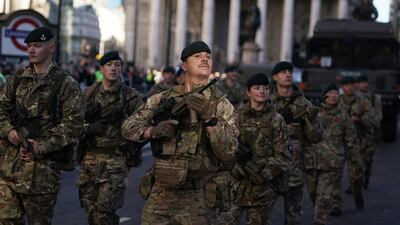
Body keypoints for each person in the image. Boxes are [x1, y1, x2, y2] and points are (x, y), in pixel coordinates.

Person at [121, 41, 238, 225]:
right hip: (161, 193)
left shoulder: (221, 104)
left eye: (208, 57)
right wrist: (152, 131)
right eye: (197, 56)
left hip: (199, 195)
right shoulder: (162, 99)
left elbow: (229, 152)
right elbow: (128, 126)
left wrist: (209, 118)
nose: (205, 59)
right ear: (184, 65)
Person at [0, 27, 84, 224]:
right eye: (29, 46)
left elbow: (74, 124)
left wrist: (42, 146)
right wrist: (8, 131)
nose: (31, 50)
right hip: (9, 169)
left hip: (41, 175)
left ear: (51, 47)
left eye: (37, 46)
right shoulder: (18, 78)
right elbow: (1, 109)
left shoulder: (66, 84)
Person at [76, 51, 143, 225]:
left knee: (104, 213)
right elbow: (71, 125)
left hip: (116, 161)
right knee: (90, 208)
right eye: (109, 65)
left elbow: (143, 124)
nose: (113, 68)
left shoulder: (130, 96)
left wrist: (126, 127)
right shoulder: (88, 94)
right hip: (89, 160)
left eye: (117, 65)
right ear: (101, 68)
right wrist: (89, 128)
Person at [218, 73, 292, 225]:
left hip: (262, 189)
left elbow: (283, 154)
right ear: (248, 92)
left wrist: (266, 173)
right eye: (257, 88)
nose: (262, 91)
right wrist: (234, 166)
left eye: (265, 88)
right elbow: (222, 146)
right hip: (234, 186)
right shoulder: (235, 116)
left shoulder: (276, 120)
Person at [269, 61, 322, 225]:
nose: (288, 74)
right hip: (269, 168)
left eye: (290, 71)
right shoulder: (267, 102)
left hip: (295, 167)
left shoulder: (304, 103)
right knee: (261, 214)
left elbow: (315, 137)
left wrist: (310, 118)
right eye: (283, 72)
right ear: (275, 77)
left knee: (293, 216)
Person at [304, 84, 362, 225]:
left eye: (336, 93)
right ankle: (325, 206)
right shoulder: (314, 113)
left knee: (323, 196)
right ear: (324, 96)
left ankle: (320, 219)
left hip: (333, 163)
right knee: (312, 192)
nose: (334, 95)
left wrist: (355, 160)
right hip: (312, 161)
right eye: (330, 93)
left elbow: (351, 141)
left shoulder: (343, 116)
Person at [330, 76, 370, 215]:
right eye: (346, 85)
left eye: (352, 85)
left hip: (356, 143)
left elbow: (372, 120)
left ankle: (358, 194)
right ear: (342, 87)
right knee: (335, 175)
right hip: (338, 143)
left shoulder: (363, 101)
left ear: (356, 86)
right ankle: (336, 205)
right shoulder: (336, 101)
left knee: (356, 176)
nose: (350, 87)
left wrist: (359, 119)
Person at [355, 75, 382, 189]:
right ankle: (354, 183)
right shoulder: (351, 97)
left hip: (368, 134)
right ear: (357, 84)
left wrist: (369, 122)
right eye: (361, 82)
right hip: (355, 134)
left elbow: (378, 116)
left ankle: (366, 177)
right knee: (354, 160)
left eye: (365, 82)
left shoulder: (373, 98)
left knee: (367, 160)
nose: (364, 84)